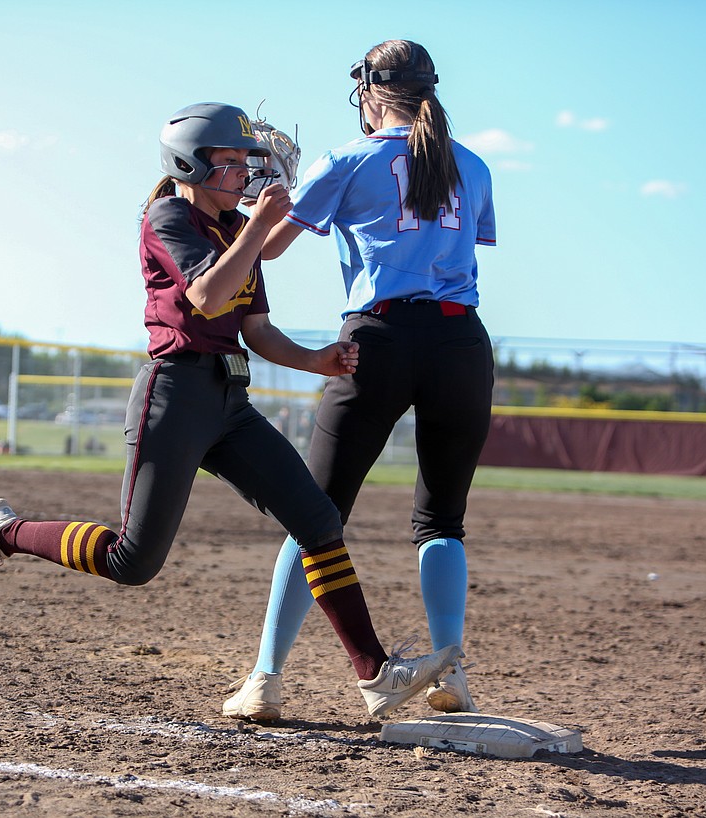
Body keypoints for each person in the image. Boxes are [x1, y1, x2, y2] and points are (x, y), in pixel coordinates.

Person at [0, 102, 459, 719]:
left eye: (246, 160)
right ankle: (3, 532)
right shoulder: (169, 214)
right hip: (174, 395)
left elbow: (258, 331)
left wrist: (316, 360)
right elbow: (208, 294)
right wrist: (255, 231)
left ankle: (375, 674)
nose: (244, 172)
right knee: (131, 561)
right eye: (229, 160)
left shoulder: (232, 228)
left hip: (227, 401)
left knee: (319, 519)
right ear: (190, 163)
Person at [222, 40, 496, 722]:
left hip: (376, 340)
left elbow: (271, 247)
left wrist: (256, 203)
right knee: (442, 521)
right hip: (462, 343)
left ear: (370, 92)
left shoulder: (350, 157)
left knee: (314, 515)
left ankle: (265, 680)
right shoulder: (476, 164)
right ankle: (451, 673)